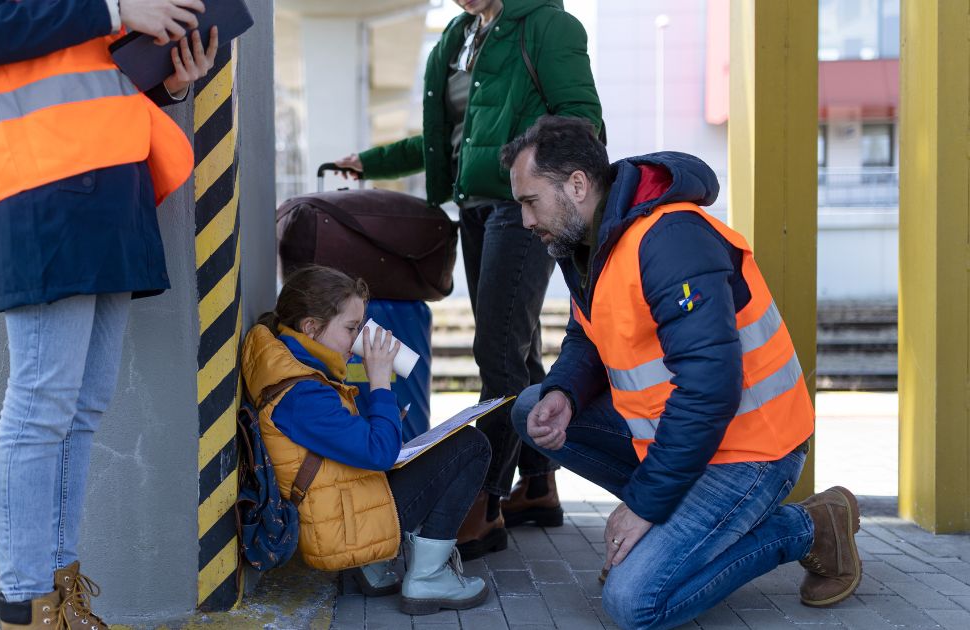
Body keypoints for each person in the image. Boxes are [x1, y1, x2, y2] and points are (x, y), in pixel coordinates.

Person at [500, 116, 862, 630]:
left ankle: (807, 527)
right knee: (529, 408)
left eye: (530, 201)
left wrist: (644, 506)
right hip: (686, 441)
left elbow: (711, 387)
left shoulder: (669, 240)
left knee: (635, 604)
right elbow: (589, 335)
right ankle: (677, 525)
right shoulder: (590, 241)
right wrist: (565, 393)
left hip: (751, 450)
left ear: (577, 185)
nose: (524, 220)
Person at [0, 1, 219, 627]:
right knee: (42, 405)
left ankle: (60, 596)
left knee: (80, 407)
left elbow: (79, 69)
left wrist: (167, 80)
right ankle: (27, 604)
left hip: (107, 183)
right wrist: (117, 6)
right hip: (42, 185)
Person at [332, 0, 605, 559]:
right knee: (517, 349)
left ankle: (484, 500)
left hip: (521, 205)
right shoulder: (458, 36)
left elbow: (582, 123)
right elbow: (447, 145)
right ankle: (538, 483)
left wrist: (544, 188)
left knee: (497, 351)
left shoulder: (548, 25)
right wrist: (372, 161)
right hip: (477, 209)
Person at [241, 265, 491, 616]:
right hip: (342, 526)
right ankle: (428, 578)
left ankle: (372, 567)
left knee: (438, 445)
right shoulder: (303, 393)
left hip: (340, 506)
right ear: (311, 327)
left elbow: (343, 444)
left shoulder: (290, 364)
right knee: (471, 445)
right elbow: (379, 452)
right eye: (351, 328)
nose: (359, 340)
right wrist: (379, 381)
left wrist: (381, 413)